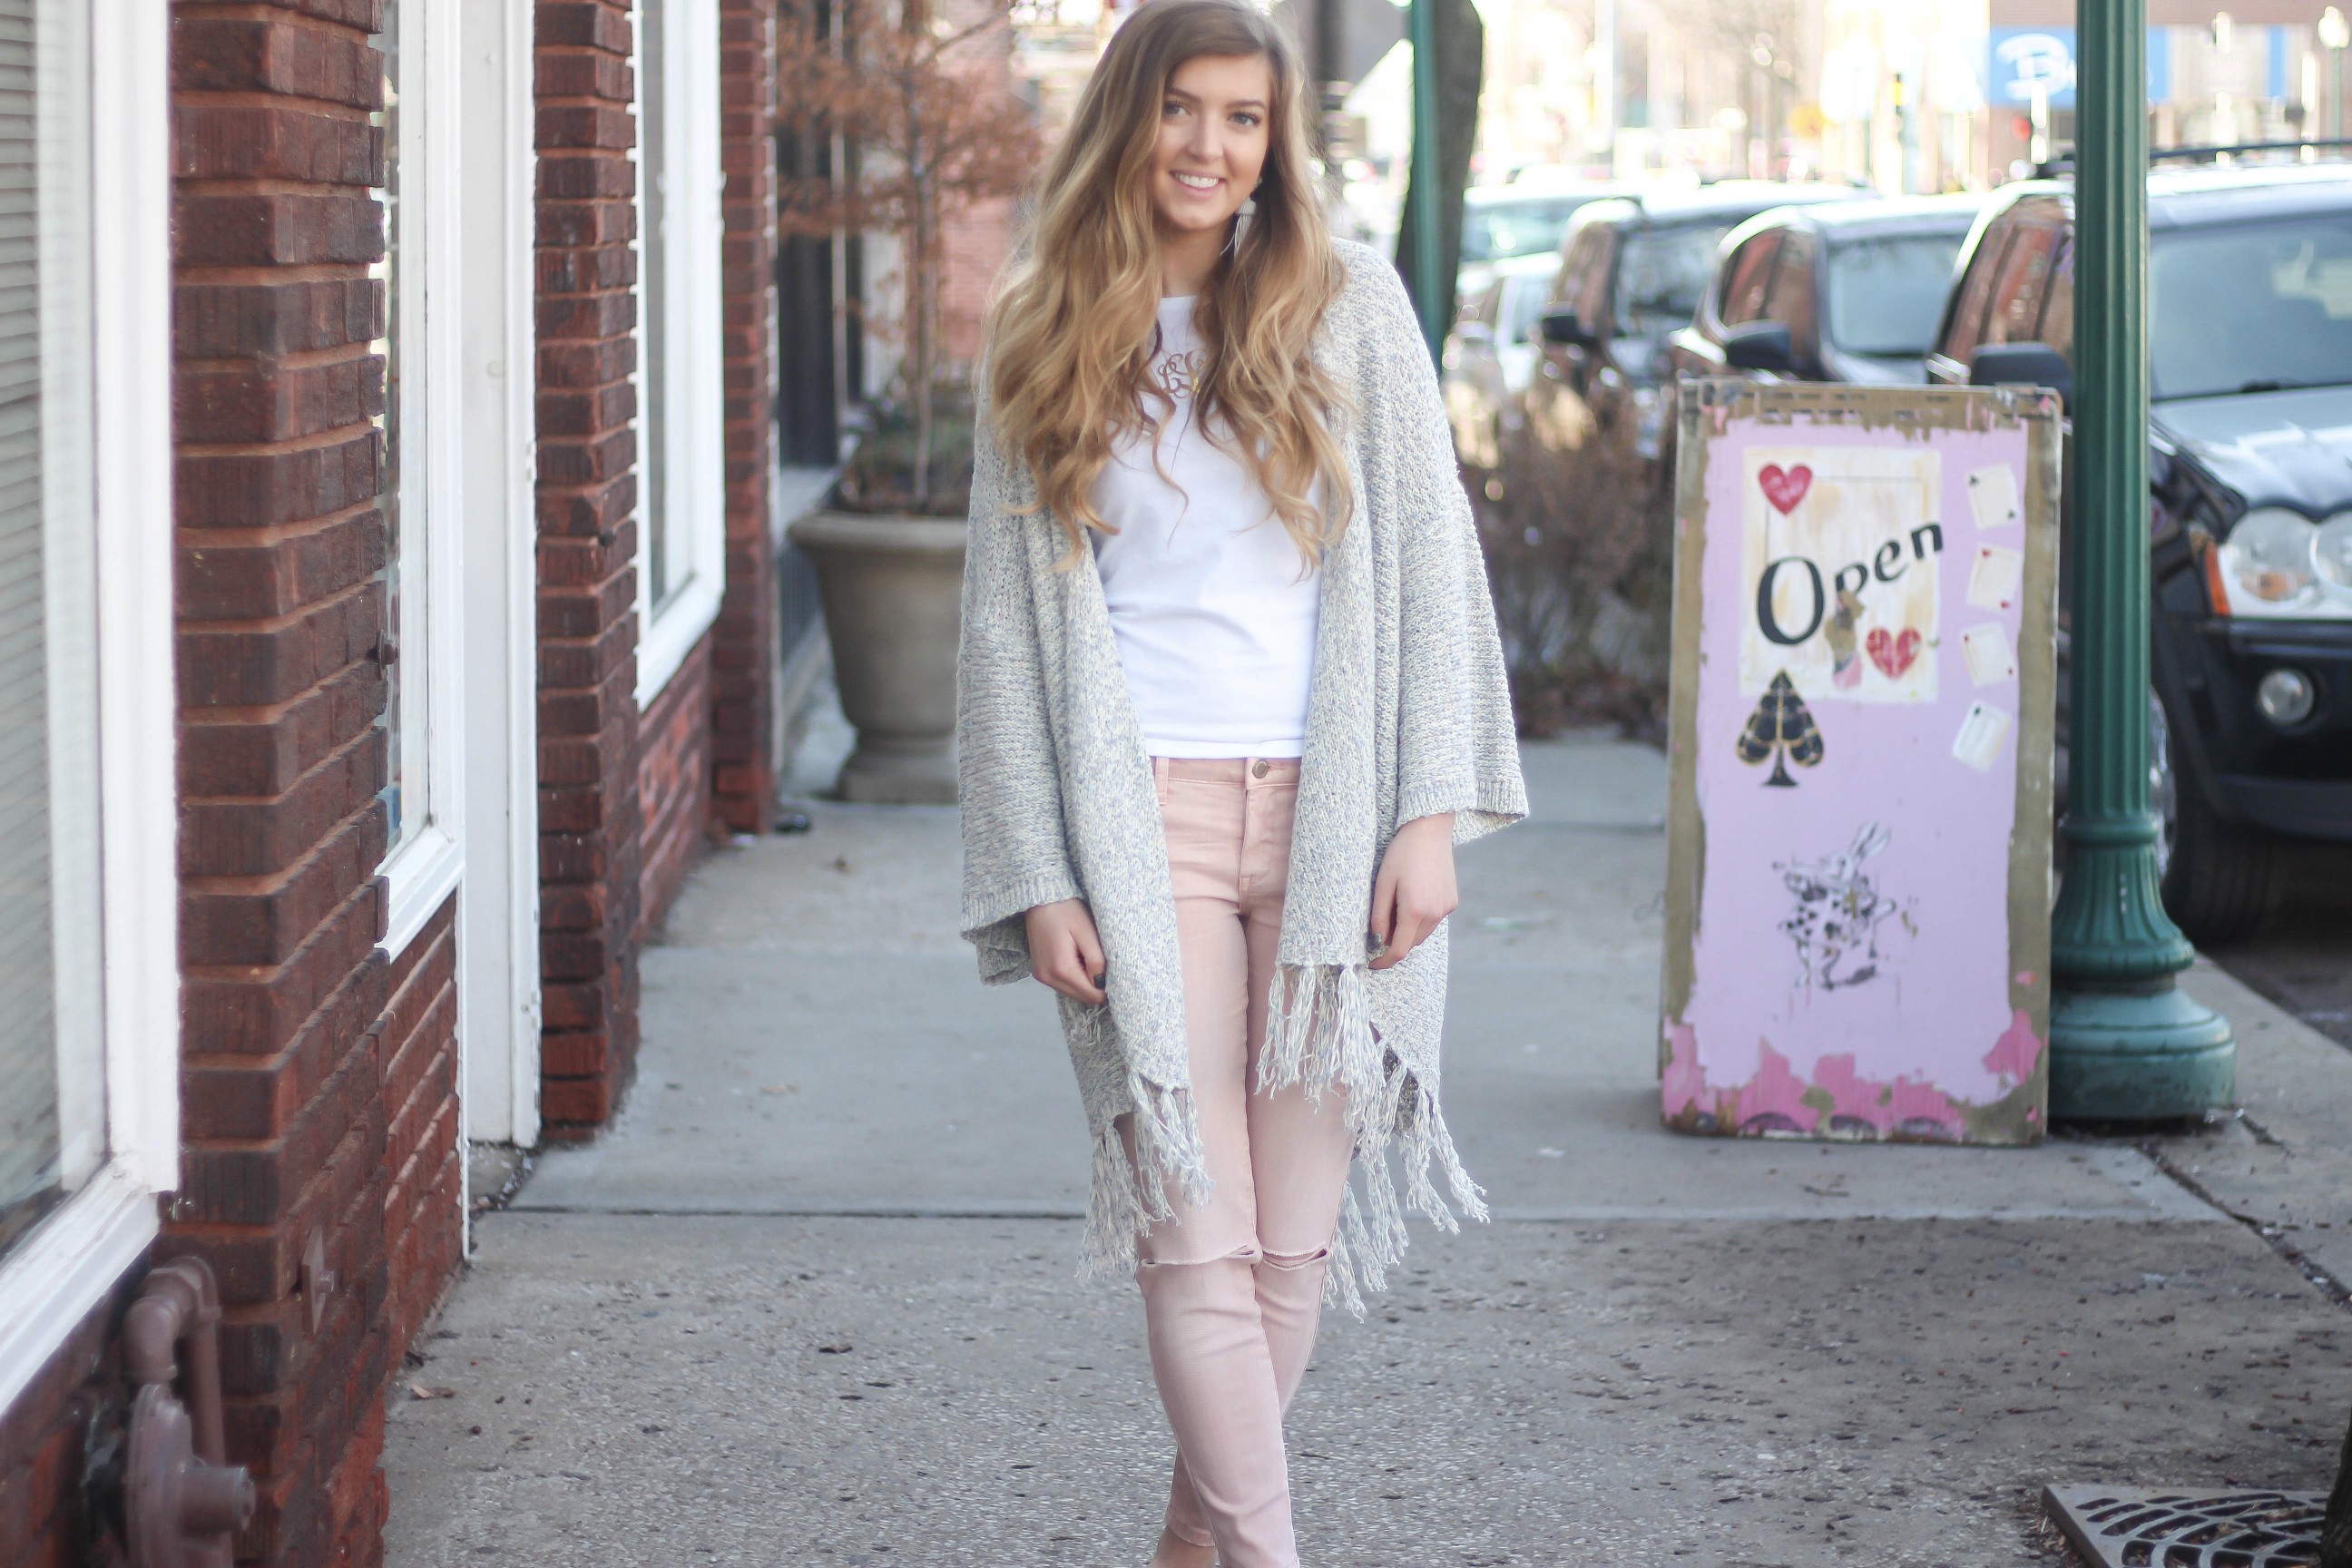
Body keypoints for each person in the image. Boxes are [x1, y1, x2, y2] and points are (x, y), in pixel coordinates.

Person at [957, 2, 1525, 1563]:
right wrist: (1044, 870)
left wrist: (1425, 818)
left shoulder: (1348, 310)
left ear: (1277, 143)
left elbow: (1428, 570)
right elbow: (1004, 633)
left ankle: (1196, 1546)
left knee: (1292, 1243)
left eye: (1246, 119)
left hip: (1334, 816)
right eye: (1184, 111)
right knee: (1194, 1233)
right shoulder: (1048, 325)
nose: (1211, 147)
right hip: (1146, 823)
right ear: (1128, 120)